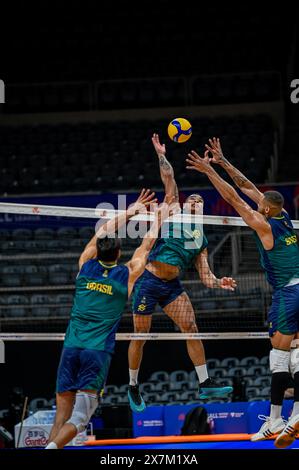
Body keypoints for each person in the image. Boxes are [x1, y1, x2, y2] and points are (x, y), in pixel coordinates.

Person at [186, 137, 299, 448]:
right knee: (293, 350)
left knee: (278, 355)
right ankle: (280, 418)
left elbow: (236, 198)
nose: (258, 203)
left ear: (267, 209)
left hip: (288, 294)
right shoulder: (284, 216)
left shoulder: (265, 226)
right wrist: (223, 160)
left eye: (261, 204)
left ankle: (285, 417)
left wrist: (209, 171)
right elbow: (248, 186)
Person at [45, 189, 170, 449]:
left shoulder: (84, 265)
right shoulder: (127, 274)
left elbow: (101, 234)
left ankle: (51, 446)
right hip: (96, 352)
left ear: (98, 251)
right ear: (118, 252)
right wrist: (159, 217)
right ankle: (51, 448)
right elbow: (146, 245)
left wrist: (132, 210)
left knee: (61, 415)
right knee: (79, 419)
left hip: (70, 348)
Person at [127, 134, 236, 413]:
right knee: (141, 335)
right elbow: (169, 179)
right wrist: (162, 155)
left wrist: (218, 282)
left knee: (191, 326)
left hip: (172, 286)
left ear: (203, 210)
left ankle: (204, 382)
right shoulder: (174, 210)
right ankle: (133, 385)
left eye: (200, 202)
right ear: (187, 205)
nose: (196, 202)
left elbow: (206, 276)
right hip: (149, 280)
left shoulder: (201, 240)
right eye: (193, 200)